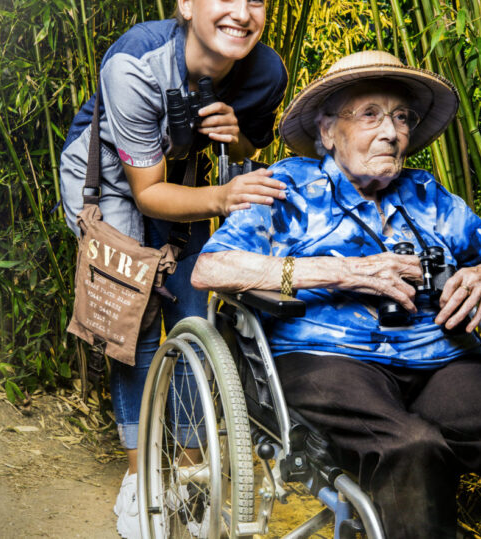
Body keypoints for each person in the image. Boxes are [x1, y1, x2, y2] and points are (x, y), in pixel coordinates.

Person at [191, 51, 481, 538]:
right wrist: (342, 272)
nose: (391, 131)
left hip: (441, 358)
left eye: (401, 117)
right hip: (326, 357)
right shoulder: (285, 187)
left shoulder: (429, 195)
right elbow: (211, 268)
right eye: (370, 114)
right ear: (326, 131)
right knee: (412, 447)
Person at [59, 1, 288, 537]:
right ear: (186, 5)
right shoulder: (135, 63)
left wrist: (240, 138)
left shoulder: (265, 71)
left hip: (188, 180)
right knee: (135, 316)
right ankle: (140, 479)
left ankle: (186, 470)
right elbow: (147, 193)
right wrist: (225, 197)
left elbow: (255, 147)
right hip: (111, 182)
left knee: (196, 306)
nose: (241, 12)